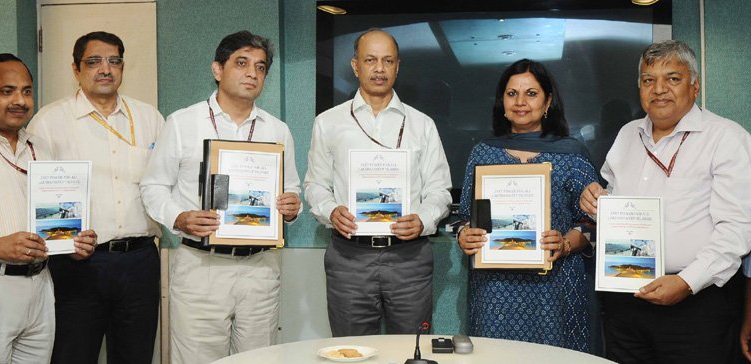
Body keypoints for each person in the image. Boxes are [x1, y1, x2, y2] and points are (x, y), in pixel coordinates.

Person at [580, 40, 751, 363]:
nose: (659, 89)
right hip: (626, 298)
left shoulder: (727, 138)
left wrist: (687, 282)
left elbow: (738, 229)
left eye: (672, 78)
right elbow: (617, 204)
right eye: (648, 80)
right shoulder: (628, 135)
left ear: (695, 85)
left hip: (697, 304)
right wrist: (598, 202)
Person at [140, 30, 302, 362]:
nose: (251, 73)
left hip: (260, 268)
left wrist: (291, 206)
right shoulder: (183, 123)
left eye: (260, 67)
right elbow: (152, 186)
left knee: (259, 359)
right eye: (241, 63)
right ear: (218, 69)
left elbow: (293, 189)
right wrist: (179, 217)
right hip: (201, 268)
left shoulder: (277, 129)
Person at [303, 28, 452, 336]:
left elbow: (439, 189)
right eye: (370, 60)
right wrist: (330, 210)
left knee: (412, 348)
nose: (379, 69)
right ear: (356, 65)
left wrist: (423, 219)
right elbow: (315, 184)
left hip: (409, 258)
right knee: (350, 352)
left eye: (388, 60)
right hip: (348, 259)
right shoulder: (327, 122)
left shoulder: (422, 124)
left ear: (398, 66)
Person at [27, 31, 164, 363]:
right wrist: (63, 243)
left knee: (135, 356)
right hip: (77, 264)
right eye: (94, 61)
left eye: (114, 61)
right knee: (73, 355)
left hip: (140, 261)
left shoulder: (149, 118)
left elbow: (164, 184)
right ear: (76, 69)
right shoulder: (49, 121)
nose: (106, 69)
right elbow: (36, 192)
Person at [0, 53, 96, 363]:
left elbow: (52, 219)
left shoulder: (39, 147)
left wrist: (71, 242)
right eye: (7, 91)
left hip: (40, 285)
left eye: (27, 91)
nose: (20, 100)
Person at [456, 59, 597, 353]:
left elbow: (590, 222)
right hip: (494, 291)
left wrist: (566, 244)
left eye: (531, 93)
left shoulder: (571, 154)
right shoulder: (483, 152)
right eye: (512, 94)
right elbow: (467, 218)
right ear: (502, 102)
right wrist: (464, 235)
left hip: (554, 287)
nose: (520, 102)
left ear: (548, 102)